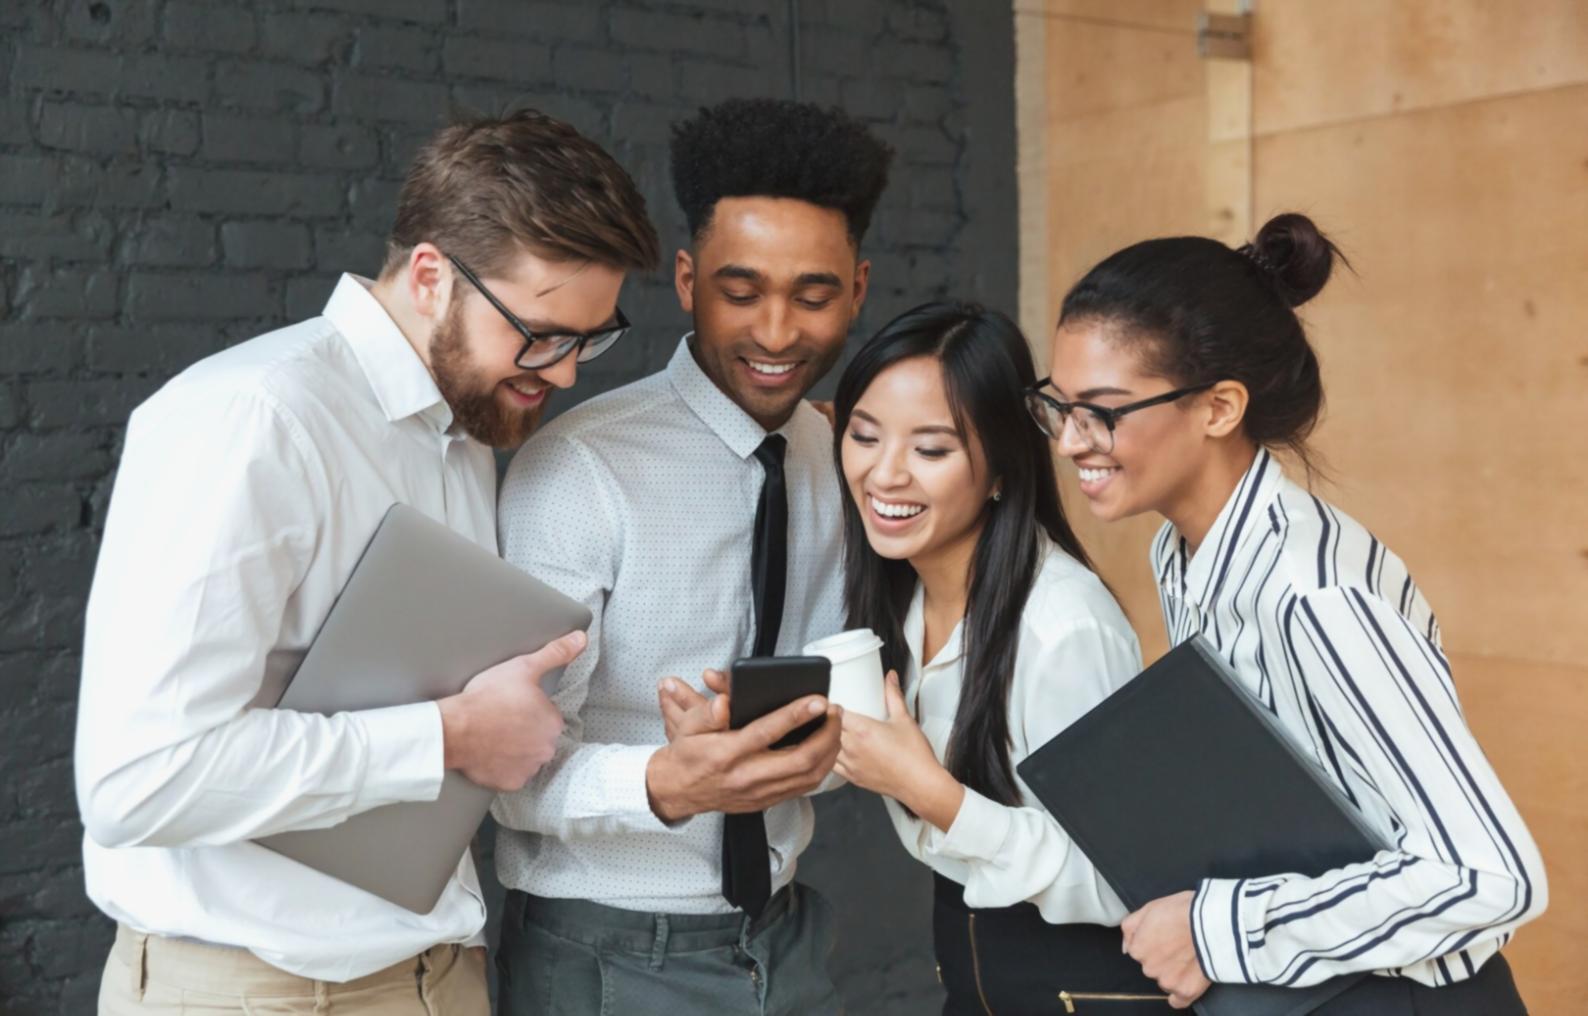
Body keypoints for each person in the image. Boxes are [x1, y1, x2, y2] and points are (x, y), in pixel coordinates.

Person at [75, 109, 659, 1015]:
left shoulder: (461, 430)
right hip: (248, 992)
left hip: (437, 977)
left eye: (589, 339)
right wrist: (449, 737)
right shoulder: (253, 421)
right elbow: (137, 779)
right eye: (542, 334)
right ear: (431, 276)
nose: (568, 373)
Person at [1034, 212, 1548, 1012]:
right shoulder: (1185, 550)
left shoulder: (1313, 595)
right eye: (1059, 406)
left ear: (1218, 407)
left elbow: (1489, 877)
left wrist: (1217, 930)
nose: (1070, 441)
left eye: (1102, 410)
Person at [491, 98, 893, 1015]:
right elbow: (504, 771)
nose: (779, 332)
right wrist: (663, 784)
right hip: (605, 958)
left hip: (787, 943)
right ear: (686, 280)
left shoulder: (846, 463)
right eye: (741, 291)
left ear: (860, 289)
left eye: (815, 294)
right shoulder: (579, 471)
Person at [829, 302, 1173, 1013]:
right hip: (974, 975)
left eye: (930, 450)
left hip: (1087, 989)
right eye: (864, 436)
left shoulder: (1063, 627)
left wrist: (935, 796)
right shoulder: (901, 599)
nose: (884, 474)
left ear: (999, 471)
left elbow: (1121, 877)